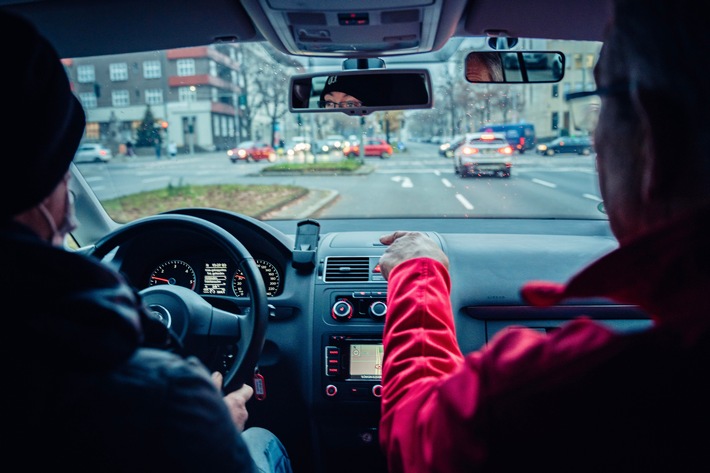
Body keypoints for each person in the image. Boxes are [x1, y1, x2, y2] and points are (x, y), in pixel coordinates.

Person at [376, 0, 710, 472]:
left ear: (653, 140)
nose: (595, 139)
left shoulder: (550, 395)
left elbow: (417, 434)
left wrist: (417, 274)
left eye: (602, 105)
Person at [0, 9, 292, 472]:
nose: (71, 196)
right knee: (262, 441)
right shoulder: (162, 399)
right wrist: (217, 425)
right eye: (63, 172)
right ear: (33, 183)